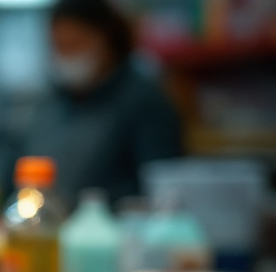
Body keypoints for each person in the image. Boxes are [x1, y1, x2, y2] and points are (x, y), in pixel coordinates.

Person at [15, 0, 182, 205]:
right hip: (47, 223)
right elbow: (17, 160)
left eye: (74, 45)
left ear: (105, 41)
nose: (65, 56)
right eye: (58, 46)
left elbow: (161, 187)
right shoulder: (49, 100)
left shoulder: (144, 101)